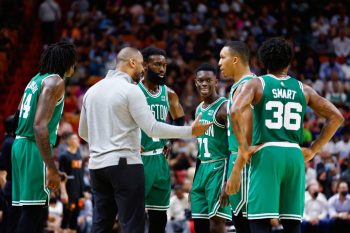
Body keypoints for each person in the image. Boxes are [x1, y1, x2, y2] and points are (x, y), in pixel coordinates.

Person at [78, 47, 211, 233]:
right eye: (142, 64)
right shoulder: (132, 90)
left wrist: (169, 142)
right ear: (135, 63)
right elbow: (153, 127)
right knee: (132, 222)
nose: (142, 70)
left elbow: (83, 132)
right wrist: (191, 131)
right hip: (130, 161)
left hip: (100, 164)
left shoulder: (92, 91)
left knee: (103, 222)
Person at [226, 37, 344, 233]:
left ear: (263, 62)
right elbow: (336, 117)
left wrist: (244, 148)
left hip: (267, 154)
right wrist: (314, 149)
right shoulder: (303, 88)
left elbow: (235, 111)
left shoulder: (257, 84)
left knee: (260, 221)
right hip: (294, 155)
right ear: (290, 62)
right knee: (292, 223)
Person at [11, 40, 77, 233]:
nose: (75, 66)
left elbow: (15, 119)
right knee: (35, 214)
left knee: (22, 212)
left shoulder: (35, 79)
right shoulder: (56, 81)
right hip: (33, 147)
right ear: (67, 61)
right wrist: (51, 168)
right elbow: (39, 126)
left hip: (19, 145)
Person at [138, 47, 186, 233]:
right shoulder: (134, 91)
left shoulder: (169, 94)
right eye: (157, 64)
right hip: (137, 159)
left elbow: (179, 119)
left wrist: (170, 141)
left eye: (164, 65)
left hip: (159, 160)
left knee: (159, 218)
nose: (162, 69)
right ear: (144, 65)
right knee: (134, 216)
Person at [191, 63, 232, 233]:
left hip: (219, 167)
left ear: (216, 81)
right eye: (201, 80)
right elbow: (200, 149)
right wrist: (195, 181)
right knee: (199, 223)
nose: (204, 84)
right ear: (196, 82)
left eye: (209, 80)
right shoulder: (198, 109)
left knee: (216, 223)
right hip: (202, 169)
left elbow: (233, 146)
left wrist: (227, 182)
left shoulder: (224, 107)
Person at [219, 41, 255, 233]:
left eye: (222, 57)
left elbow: (247, 140)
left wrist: (235, 173)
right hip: (237, 160)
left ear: (235, 59)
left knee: (246, 223)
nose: (219, 63)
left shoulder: (248, 86)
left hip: (246, 165)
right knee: (239, 221)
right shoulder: (238, 86)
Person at [59, 132, 84, 233]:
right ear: (69, 141)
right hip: (69, 192)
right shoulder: (64, 156)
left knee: (74, 220)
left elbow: (80, 174)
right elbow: (61, 177)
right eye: (74, 138)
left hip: (78, 192)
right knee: (66, 219)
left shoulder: (79, 154)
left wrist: (84, 191)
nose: (77, 140)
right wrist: (63, 193)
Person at [0, 115, 21, 233]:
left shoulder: (7, 141)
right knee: (13, 223)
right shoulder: (12, 143)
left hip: (11, 185)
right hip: (14, 186)